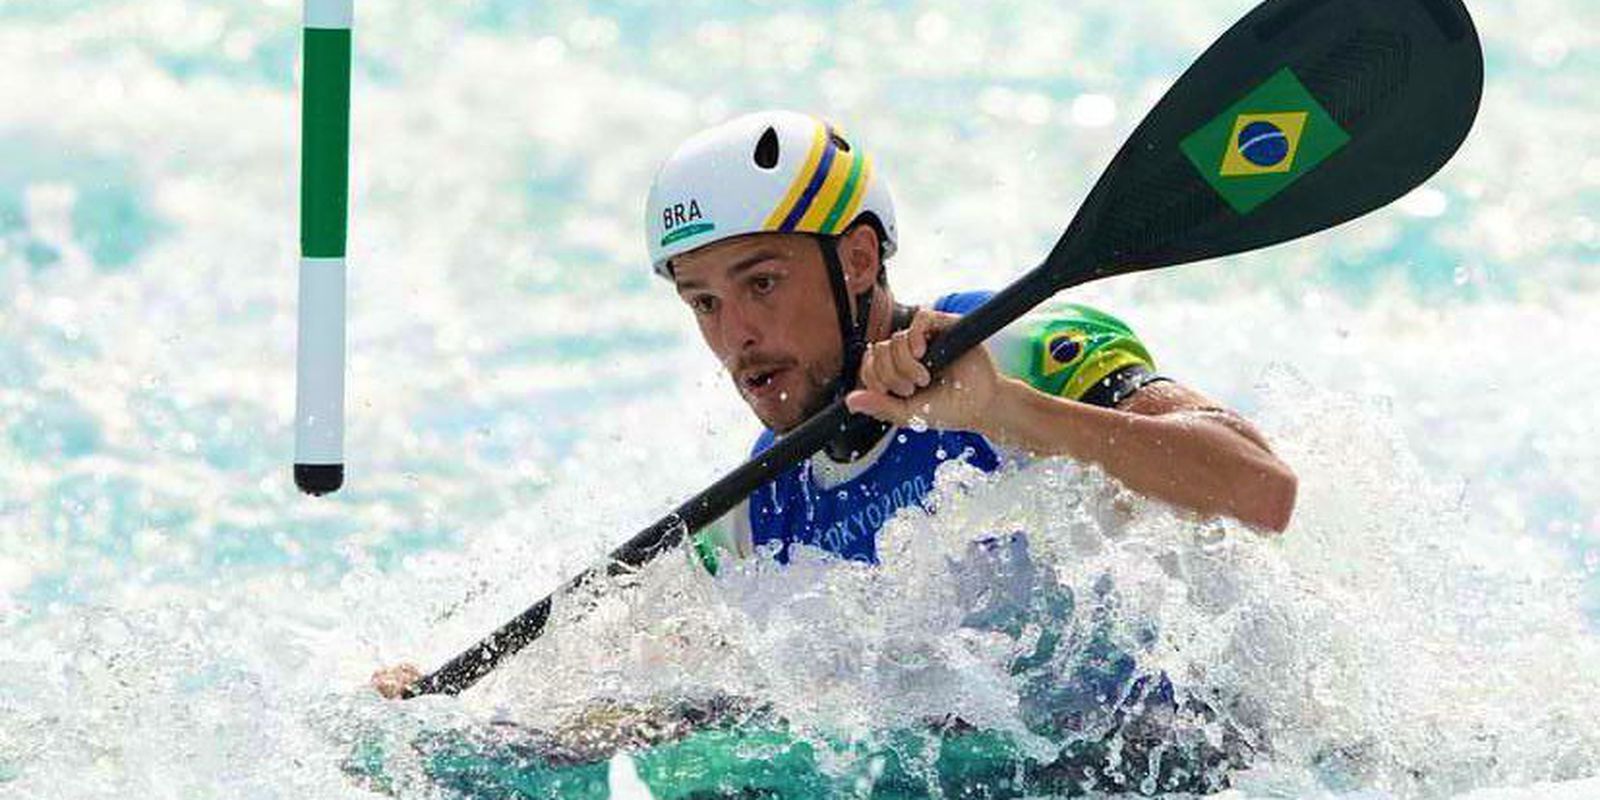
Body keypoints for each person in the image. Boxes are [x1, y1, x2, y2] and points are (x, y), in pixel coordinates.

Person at [371, 109, 1296, 698]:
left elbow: (1263, 490)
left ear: (856, 260)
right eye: (703, 302)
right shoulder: (754, 516)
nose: (734, 334)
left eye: (762, 283)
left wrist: (1010, 413)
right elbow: (658, 706)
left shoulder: (1013, 347)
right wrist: (448, 737)